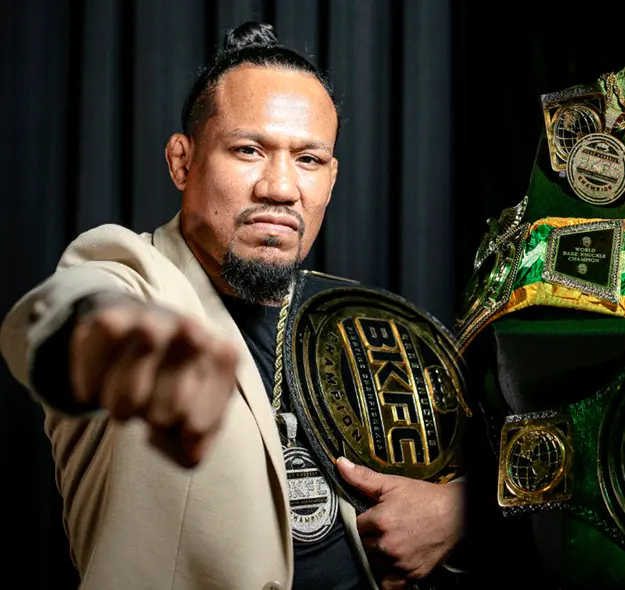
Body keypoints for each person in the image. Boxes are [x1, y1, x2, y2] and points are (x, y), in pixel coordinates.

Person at [0, 22, 463, 590]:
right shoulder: (133, 277)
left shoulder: (355, 320)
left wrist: (453, 512)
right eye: (249, 150)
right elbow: (67, 313)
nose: (280, 186)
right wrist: (113, 348)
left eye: (309, 159)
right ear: (181, 161)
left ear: (332, 178)